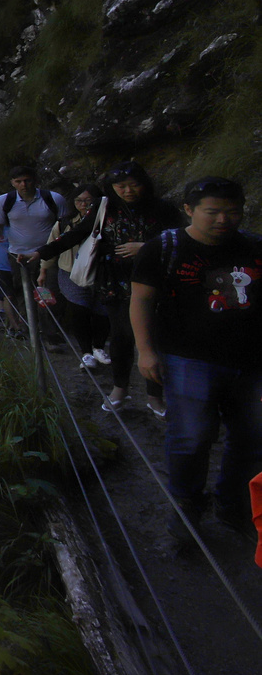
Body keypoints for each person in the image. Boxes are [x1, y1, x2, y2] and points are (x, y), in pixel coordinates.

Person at [131, 176, 262, 545]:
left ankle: (233, 503)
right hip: (188, 358)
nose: (224, 219)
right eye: (213, 212)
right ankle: (187, 506)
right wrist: (146, 350)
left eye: (233, 211)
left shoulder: (254, 247)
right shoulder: (164, 248)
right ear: (189, 210)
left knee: (252, 438)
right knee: (191, 437)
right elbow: (140, 300)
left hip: (252, 361)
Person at [38, 162, 180, 414]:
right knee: (121, 336)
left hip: (155, 279)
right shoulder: (105, 208)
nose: (127, 191)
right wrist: (42, 252)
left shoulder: (163, 209)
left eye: (134, 185)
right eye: (120, 186)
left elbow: (179, 239)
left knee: (154, 338)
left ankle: (155, 395)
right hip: (114, 279)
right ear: (111, 188)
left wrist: (145, 246)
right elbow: (77, 233)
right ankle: (120, 389)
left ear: (145, 183)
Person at [0, 166, 67, 343]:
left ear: (35, 180)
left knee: (49, 294)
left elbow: (66, 226)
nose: (23, 185)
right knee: (22, 293)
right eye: (18, 181)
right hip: (18, 256)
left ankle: (50, 336)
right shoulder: (4, 201)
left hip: (48, 256)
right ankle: (29, 331)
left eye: (27, 180)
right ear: (12, 183)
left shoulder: (53, 199)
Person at [39, 183, 109, 360]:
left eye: (88, 201)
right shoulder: (64, 223)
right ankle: (86, 352)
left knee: (102, 310)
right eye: (79, 201)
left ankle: (99, 347)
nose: (84, 205)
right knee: (79, 310)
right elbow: (53, 246)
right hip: (69, 272)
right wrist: (43, 271)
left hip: (101, 271)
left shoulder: (107, 221)